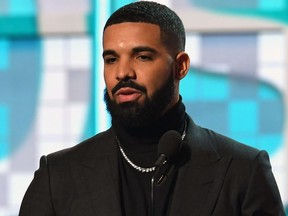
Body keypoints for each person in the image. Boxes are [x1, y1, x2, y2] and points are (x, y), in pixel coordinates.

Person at [19, 1, 285, 216]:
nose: (123, 72)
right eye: (111, 59)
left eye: (142, 56)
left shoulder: (242, 170)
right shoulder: (58, 176)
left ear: (180, 66)